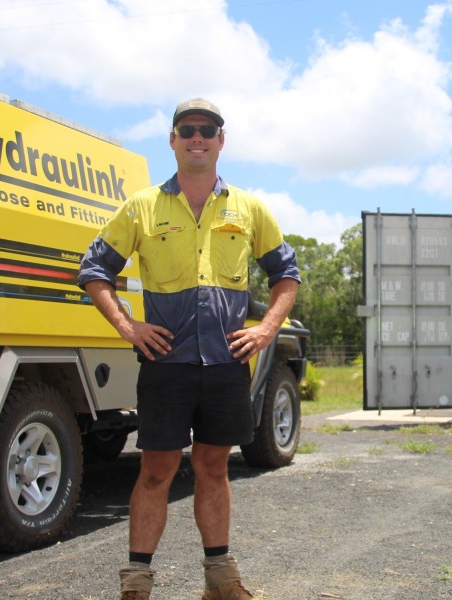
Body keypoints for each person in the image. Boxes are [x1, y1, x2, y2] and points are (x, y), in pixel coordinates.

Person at [78, 98, 300, 600]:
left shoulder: (248, 208)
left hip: (225, 366)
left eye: (207, 129)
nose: (197, 137)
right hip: (166, 365)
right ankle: (136, 585)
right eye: (187, 129)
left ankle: (220, 583)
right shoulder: (142, 206)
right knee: (156, 471)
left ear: (221, 140)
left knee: (214, 467)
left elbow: (286, 274)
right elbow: (94, 272)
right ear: (173, 140)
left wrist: (264, 330)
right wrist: (127, 325)